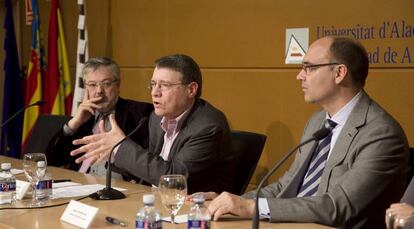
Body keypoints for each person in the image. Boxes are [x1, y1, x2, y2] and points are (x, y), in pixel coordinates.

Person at [195, 36, 409, 228]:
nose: (300, 76)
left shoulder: (381, 134)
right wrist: (230, 201)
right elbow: (284, 185)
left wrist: (251, 207)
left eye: (309, 68)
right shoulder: (318, 121)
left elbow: (336, 207)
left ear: (339, 73)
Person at [69, 54, 235, 194]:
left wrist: (120, 147)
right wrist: (112, 154)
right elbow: (152, 166)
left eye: (165, 85)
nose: (155, 92)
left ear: (191, 90)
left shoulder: (208, 126)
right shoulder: (156, 118)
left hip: (195, 212)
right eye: (153, 84)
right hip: (155, 203)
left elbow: (174, 179)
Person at [45, 57, 153, 181]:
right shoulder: (84, 118)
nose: (99, 91)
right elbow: (50, 160)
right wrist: (74, 123)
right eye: (92, 85)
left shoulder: (141, 114)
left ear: (118, 85)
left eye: (106, 84)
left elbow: (146, 164)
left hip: (118, 191)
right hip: (79, 185)